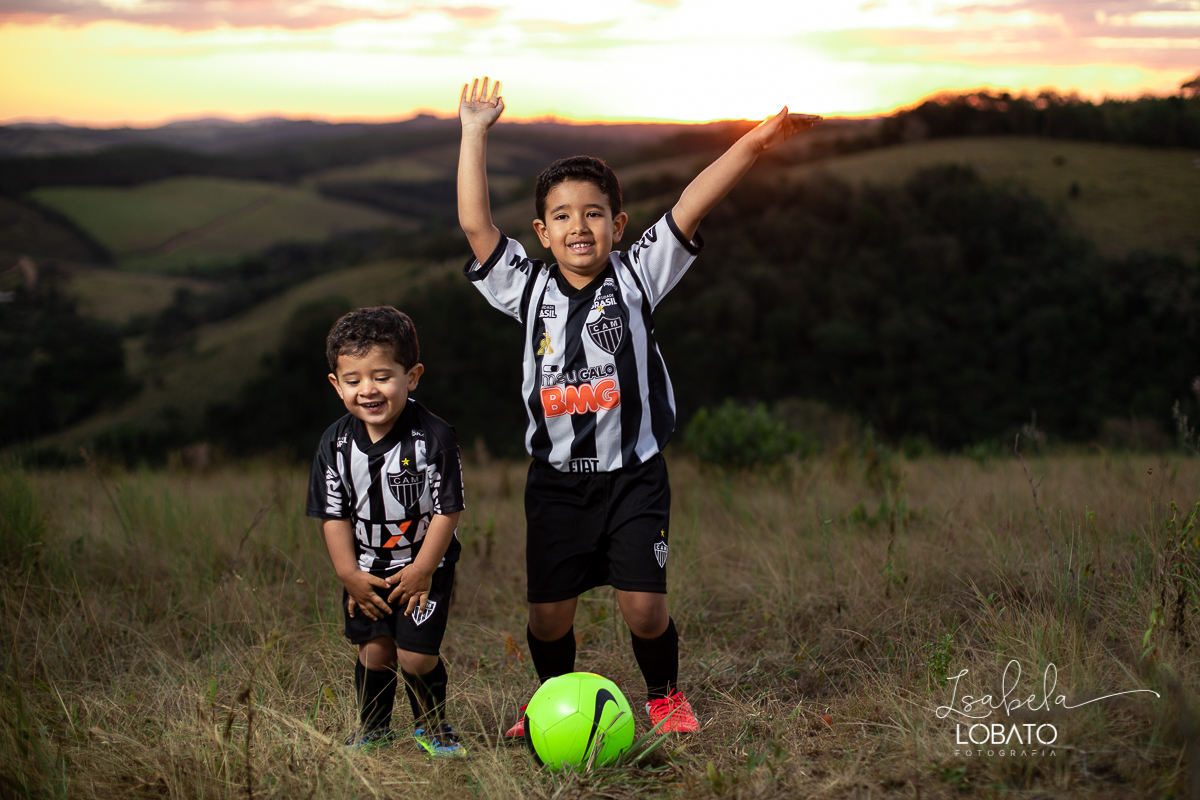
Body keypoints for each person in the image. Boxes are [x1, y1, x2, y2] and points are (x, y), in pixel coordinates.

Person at [456, 76, 820, 736]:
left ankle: (664, 696)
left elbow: (692, 203)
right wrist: (475, 131)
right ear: (541, 232)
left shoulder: (636, 274)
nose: (578, 226)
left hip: (635, 475)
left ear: (617, 225)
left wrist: (759, 141)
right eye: (562, 216)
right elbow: (476, 225)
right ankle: (550, 704)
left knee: (644, 609)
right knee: (548, 617)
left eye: (594, 212)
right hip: (557, 485)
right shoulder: (527, 290)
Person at [306, 306, 467, 755]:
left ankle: (433, 728)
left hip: (422, 567)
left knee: (415, 656)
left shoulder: (433, 437)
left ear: (411, 376)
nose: (368, 390)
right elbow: (333, 515)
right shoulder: (334, 443)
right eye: (353, 380)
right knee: (375, 651)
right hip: (366, 570)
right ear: (337, 385)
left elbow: (446, 511)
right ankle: (374, 728)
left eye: (382, 376)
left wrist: (421, 569)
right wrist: (348, 575)